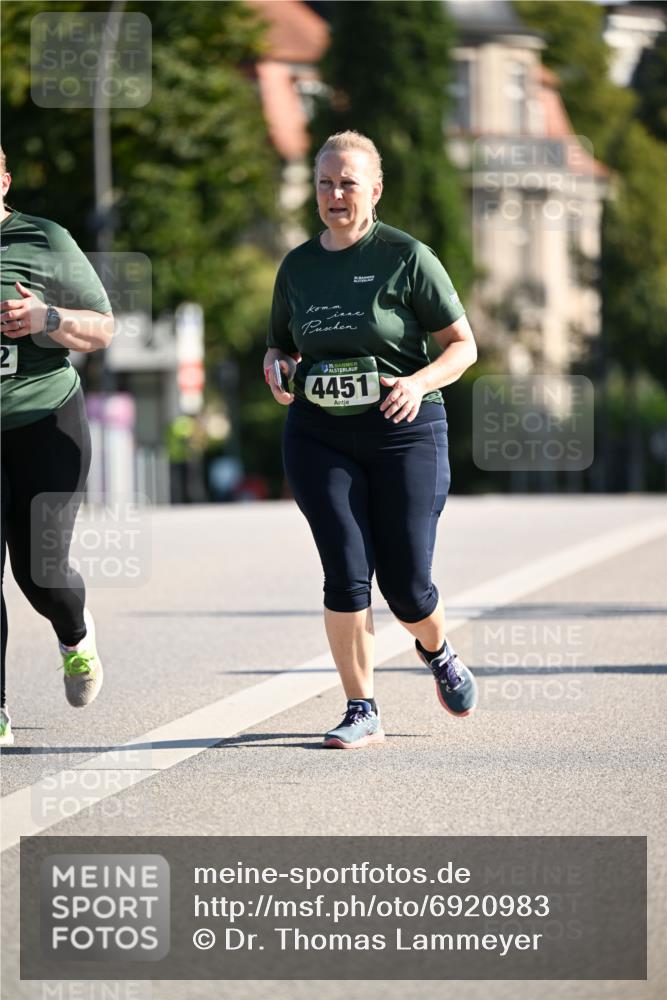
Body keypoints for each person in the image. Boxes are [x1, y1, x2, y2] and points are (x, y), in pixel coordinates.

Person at [264, 130, 479, 749]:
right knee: (345, 573)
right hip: (318, 435)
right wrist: (278, 372)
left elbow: (463, 346)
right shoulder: (298, 266)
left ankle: (436, 648)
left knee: (408, 587)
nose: (335, 194)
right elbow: (279, 346)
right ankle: (362, 708)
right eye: (325, 183)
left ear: (375, 191)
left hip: (403, 432)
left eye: (348, 183)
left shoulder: (408, 257)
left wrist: (417, 383)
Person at [0, 147, 114, 747]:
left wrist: (45, 317)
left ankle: (74, 634)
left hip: (45, 420)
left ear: (4, 180)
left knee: (40, 573)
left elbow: (102, 327)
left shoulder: (42, 239)